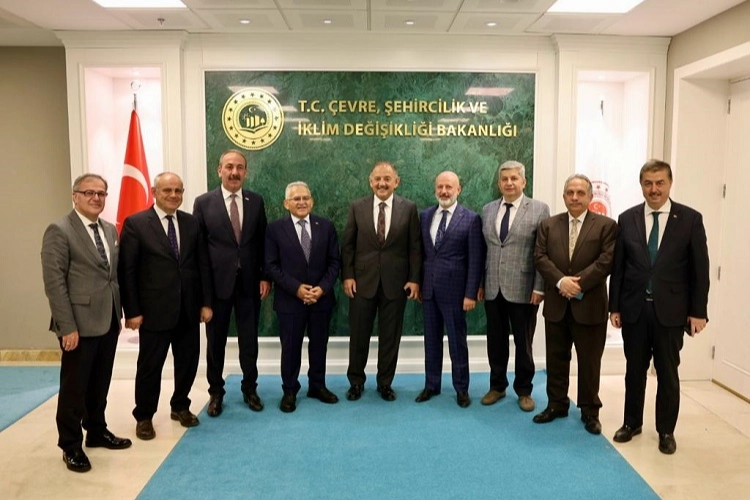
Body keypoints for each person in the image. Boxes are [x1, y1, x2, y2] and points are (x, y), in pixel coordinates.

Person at [609, 159, 709, 454]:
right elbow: (619, 267)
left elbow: (700, 270)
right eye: (648, 183)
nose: (654, 189)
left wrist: (698, 311)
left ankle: (666, 430)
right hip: (635, 309)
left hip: (671, 311)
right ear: (641, 185)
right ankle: (631, 423)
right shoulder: (627, 219)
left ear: (670, 183)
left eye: (659, 183)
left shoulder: (690, 219)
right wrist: (615, 307)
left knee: (667, 373)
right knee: (634, 371)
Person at [41, 173, 132, 473]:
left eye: (101, 193)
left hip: (108, 319)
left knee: (100, 382)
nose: (96, 198)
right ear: (75, 196)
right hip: (77, 325)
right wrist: (67, 326)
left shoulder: (109, 229)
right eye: (89, 192)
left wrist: (120, 312)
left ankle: (96, 430)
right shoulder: (59, 230)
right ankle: (70, 445)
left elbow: (111, 276)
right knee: (74, 387)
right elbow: (55, 283)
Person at [119, 173, 213, 440]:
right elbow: (127, 271)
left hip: (188, 309)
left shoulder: (191, 223)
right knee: (150, 367)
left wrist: (206, 303)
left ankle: (180, 406)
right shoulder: (136, 223)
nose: (173, 195)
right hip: (153, 312)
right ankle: (144, 416)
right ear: (154, 192)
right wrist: (132, 311)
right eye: (167, 190)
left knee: (188, 362)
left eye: (178, 191)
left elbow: (202, 265)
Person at [532, 174, 618, 434]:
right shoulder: (548, 225)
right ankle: (557, 404)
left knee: (589, 362)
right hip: (557, 306)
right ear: (564, 196)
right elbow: (540, 257)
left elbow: (606, 261)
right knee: (556, 359)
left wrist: (577, 284)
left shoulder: (606, 226)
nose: (575, 197)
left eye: (580, 193)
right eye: (570, 193)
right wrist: (561, 281)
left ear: (590, 196)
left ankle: (590, 411)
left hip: (590, 306)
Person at [193, 149, 271, 417]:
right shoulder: (203, 203)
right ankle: (216, 392)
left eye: (239, 167)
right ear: (219, 170)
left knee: (249, 341)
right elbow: (199, 251)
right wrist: (203, 294)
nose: (234, 172)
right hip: (217, 286)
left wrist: (265, 276)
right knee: (215, 343)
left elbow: (263, 241)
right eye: (229, 167)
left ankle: (250, 388)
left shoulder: (256, 201)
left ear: (245, 172)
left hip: (249, 284)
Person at [342, 161, 422, 402]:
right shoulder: (357, 207)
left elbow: (414, 247)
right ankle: (356, 382)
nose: (382, 183)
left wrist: (414, 279)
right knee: (359, 336)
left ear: (396, 182)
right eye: (377, 179)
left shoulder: (409, 208)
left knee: (390, 337)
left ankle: (385, 383)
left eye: (387, 179)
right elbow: (348, 245)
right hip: (361, 282)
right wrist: (348, 276)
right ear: (370, 182)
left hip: (396, 284)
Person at [265, 181, 342, 412]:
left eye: (305, 198)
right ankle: (289, 390)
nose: (301, 202)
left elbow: (334, 263)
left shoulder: (326, 226)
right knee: (290, 348)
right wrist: (297, 288)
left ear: (312, 201)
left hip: (321, 299)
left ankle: (317, 386)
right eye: (296, 199)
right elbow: (271, 266)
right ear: (286, 203)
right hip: (290, 300)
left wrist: (322, 289)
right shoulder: (274, 229)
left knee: (319, 345)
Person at [480, 160, 550, 412]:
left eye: (514, 178)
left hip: (524, 287)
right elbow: (483, 249)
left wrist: (539, 287)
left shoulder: (539, 209)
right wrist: (480, 283)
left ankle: (524, 390)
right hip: (493, 286)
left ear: (523, 181)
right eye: (504, 179)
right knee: (495, 341)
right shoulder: (488, 209)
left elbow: (542, 251)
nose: (509, 183)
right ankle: (497, 386)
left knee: (524, 342)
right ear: (499, 183)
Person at [416, 171, 485, 408]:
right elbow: (421, 254)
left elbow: (475, 259)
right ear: (435, 189)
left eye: (449, 187)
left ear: (458, 190)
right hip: (429, 290)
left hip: (456, 293)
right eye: (440, 187)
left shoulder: (471, 219)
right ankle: (431, 385)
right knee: (431, 341)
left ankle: (461, 388)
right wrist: (419, 284)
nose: (444, 191)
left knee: (457, 342)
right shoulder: (425, 216)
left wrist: (470, 293)